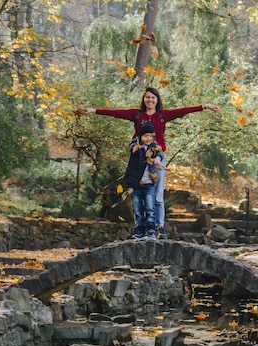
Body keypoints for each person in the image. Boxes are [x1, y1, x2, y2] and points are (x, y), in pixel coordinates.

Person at [77, 87, 219, 239]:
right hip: (139, 160)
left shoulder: (163, 115)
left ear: (157, 100)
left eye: (153, 98)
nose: (150, 100)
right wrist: (91, 110)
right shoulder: (137, 115)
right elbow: (114, 113)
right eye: (147, 98)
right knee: (138, 195)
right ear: (144, 99)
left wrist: (205, 106)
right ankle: (141, 229)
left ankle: (159, 228)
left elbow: (183, 110)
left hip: (157, 159)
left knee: (157, 196)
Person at [124, 121, 164, 240]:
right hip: (136, 185)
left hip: (149, 185)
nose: (148, 138)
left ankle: (151, 231)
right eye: (145, 136)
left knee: (150, 208)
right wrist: (136, 148)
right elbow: (132, 148)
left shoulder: (154, 148)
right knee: (137, 209)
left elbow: (160, 153)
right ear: (141, 136)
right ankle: (140, 230)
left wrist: (157, 158)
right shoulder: (136, 145)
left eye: (150, 136)